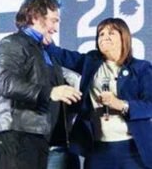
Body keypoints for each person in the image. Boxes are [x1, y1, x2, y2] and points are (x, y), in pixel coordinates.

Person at [0, 0, 82, 169]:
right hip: (16, 137)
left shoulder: (45, 52)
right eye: (53, 20)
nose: (56, 28)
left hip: (39, 138)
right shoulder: (12, 43)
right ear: (35, 17)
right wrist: (51, 92)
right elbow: (7, 83)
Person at [45, 18, 152, 169]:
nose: (104, 37)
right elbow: (61, 55)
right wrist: (45, 38)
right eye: (100, 34)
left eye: (111, 33)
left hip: (133, 149)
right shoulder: (91, 61)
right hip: (98, 151)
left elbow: (150, 105)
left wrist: (121, 104)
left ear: (124, 37)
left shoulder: (141, 68)